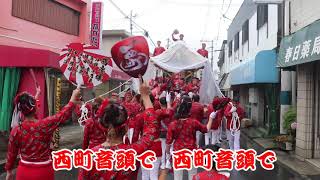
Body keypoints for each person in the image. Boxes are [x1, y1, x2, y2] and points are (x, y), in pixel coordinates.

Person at [80, 77, 160, 180]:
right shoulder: (133, 152)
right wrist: (145, 96)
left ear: (103, 127)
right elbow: (151, 128)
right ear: (126, 128)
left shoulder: (88, 158)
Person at [5, 88, 80, 180]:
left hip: (24, 172)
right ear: (36, 108)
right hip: (43, 171)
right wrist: (73, 98)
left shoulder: (16, 130)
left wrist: (9, 171)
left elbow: (11, 153)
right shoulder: (45, 125)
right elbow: (62, 115)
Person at [166, 95, 214, 180]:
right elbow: (206, 129)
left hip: (178, 152)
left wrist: (168, 152)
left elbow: (169, 142)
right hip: (191, 152)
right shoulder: (193, 122)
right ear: (189, 110)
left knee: (178, 177)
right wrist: (211, 118)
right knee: (192, 176)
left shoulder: (173, 124)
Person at [155, 96, 175, 177]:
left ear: (160, 103)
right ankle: (169, 162)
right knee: (171, 149)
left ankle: (163, 164)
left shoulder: (158, 111)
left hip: (162, 133)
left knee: (163, 149)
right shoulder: (171, 111)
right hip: (171, 132)